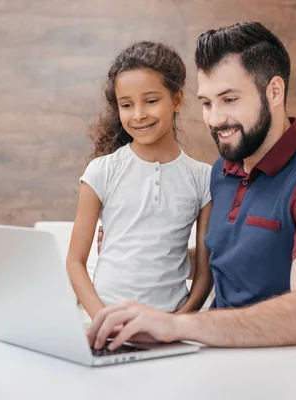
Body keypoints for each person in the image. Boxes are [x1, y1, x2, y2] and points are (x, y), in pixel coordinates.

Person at [87, 22, 296, 351]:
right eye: (206, 103)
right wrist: (136, 249)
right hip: (211, 355)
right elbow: (234, 258)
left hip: (287, 366)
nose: (215, 119)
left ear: (274, 92)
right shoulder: (222, 172)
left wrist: (175, 324)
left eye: (229, 99)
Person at [66, 41, 214, 320]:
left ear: (177, 100)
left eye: (151, 100)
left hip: (172, 321)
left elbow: (205, 271)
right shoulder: (102, 171)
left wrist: (179, 321)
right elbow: (75, 262)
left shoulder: (202, 178)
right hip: (107, 319)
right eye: (127, 104)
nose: (138, 115)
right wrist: (103, 318)